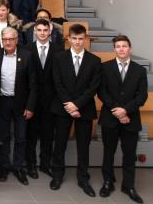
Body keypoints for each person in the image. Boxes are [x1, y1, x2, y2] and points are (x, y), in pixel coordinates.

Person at [50, 24, 101, 196]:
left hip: (84, 109)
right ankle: (57, 175)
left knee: (83, 146)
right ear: (69, 39)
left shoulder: (94, 60)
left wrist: (77, 105)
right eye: (75, 38)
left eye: (81, 39)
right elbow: (57, 83)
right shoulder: (58, 58)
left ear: (85, 39)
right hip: (63, 107)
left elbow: (93, 87)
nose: (78, 42)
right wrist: (69, 104)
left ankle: (83, 178)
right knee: (60, 143)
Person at [98, 35, 147, 203]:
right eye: (117, 46)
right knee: (108, 153)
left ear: (130, 48)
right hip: (110, 118)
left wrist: (125, 110)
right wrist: (117, 111)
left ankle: (129, 186)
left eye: (124, 46)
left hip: (131, 119)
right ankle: (107, 182)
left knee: (129, 154)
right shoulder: (105, 68)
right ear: (114, 49)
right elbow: (102, 92)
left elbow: (142, 96)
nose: (121, 49)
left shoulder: (140, 70)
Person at [0, 27, 37, 185]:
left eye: (11, 39)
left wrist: (30, 107)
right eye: (5, 39)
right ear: (2, 40)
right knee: (3, 136)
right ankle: (4, 166)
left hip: (21, 103)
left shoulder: (27, 56)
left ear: (17, 40)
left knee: (21, 137)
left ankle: (18, 167)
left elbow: (33, 85)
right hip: (1, 102)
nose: (8, 42)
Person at [25, 19, 63, 179]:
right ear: (34, 32)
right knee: (31, 135)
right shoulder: (27, 49)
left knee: (48, 135)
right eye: (39, 30)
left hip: (51, 101)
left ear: (50, 32)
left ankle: (45, 164)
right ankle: (31, 165)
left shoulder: (58, 50)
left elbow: (60, 77)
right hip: (31, 100)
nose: (42, 33)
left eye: (44, 30)